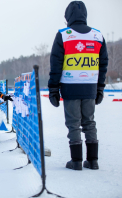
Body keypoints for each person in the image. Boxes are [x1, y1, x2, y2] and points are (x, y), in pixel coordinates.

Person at [48, 1, 108, 170]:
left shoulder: (64, 35)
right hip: (90, 88)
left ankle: (76, 161)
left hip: (70, 88)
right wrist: (100, 88)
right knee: (89, 122)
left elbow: (56, 63)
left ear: (68, 16)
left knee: (73, 124)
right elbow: (103, 64)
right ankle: (93, 160)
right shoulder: (97, 36)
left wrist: (53, 88)